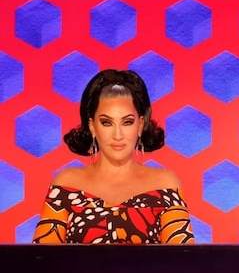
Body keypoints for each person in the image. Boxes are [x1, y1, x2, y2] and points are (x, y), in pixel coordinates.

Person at [33, 69, 194, 244]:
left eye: (127, 122)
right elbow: (42, 258)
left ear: (140, 125)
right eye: (106, 122)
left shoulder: (165, 184)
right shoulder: (66, 184)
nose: (118, 135)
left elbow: (183, 259)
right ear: (92, 126)